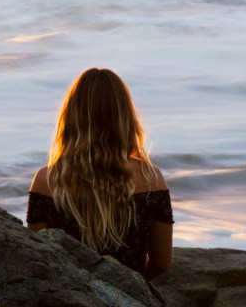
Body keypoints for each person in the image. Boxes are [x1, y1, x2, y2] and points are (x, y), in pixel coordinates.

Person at [26, 67, 173, 280]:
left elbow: (39, 261)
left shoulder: (46, 180)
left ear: (71, 116)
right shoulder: (152, 178)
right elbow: (161, 263)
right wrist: (131, 287)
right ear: (125, 116)